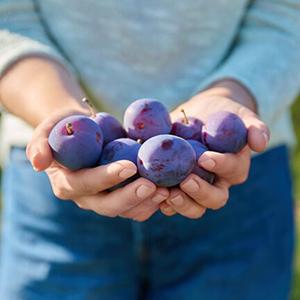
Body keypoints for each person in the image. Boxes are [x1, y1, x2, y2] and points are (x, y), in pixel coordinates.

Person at [0, 0, 299, 299]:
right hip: (59, 187)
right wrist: (56, 107)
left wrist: (235, 93)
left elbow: (287, 14)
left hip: (230, 176)